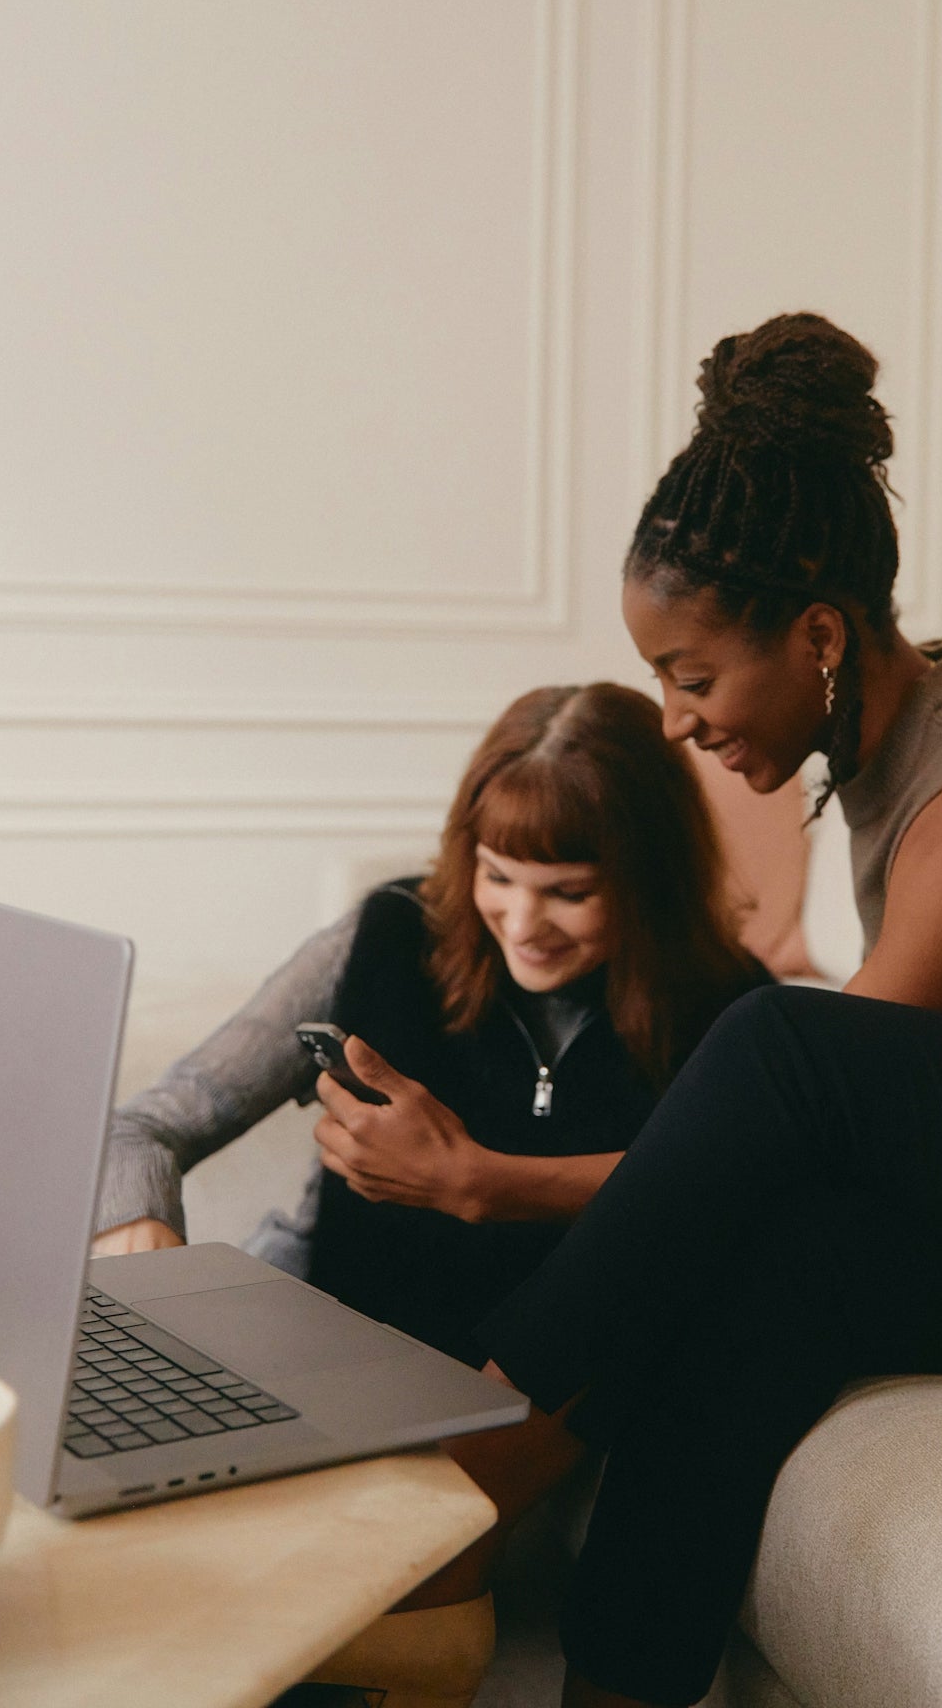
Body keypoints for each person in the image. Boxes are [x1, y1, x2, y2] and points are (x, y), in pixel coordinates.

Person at [436, 313, 942, 1708]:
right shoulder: (892, 726)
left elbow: (817, 1103)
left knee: (785, 1047)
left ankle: (486, 1455)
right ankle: (615, 1688)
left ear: (816, 636)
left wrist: (500, 1185)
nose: (677, 724)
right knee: (785, 1280)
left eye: (692, 680)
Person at [93, 681, 769, 1708]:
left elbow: (730, 1209)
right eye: (497, 876)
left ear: (650, 879)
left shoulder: (731, 1018)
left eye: (568, 891)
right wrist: (139, 1228)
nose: (521, 922)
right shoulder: (390, 934)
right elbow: (146, 1122)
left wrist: (478, 1185)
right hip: (302, 1359)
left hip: (493, 1418)